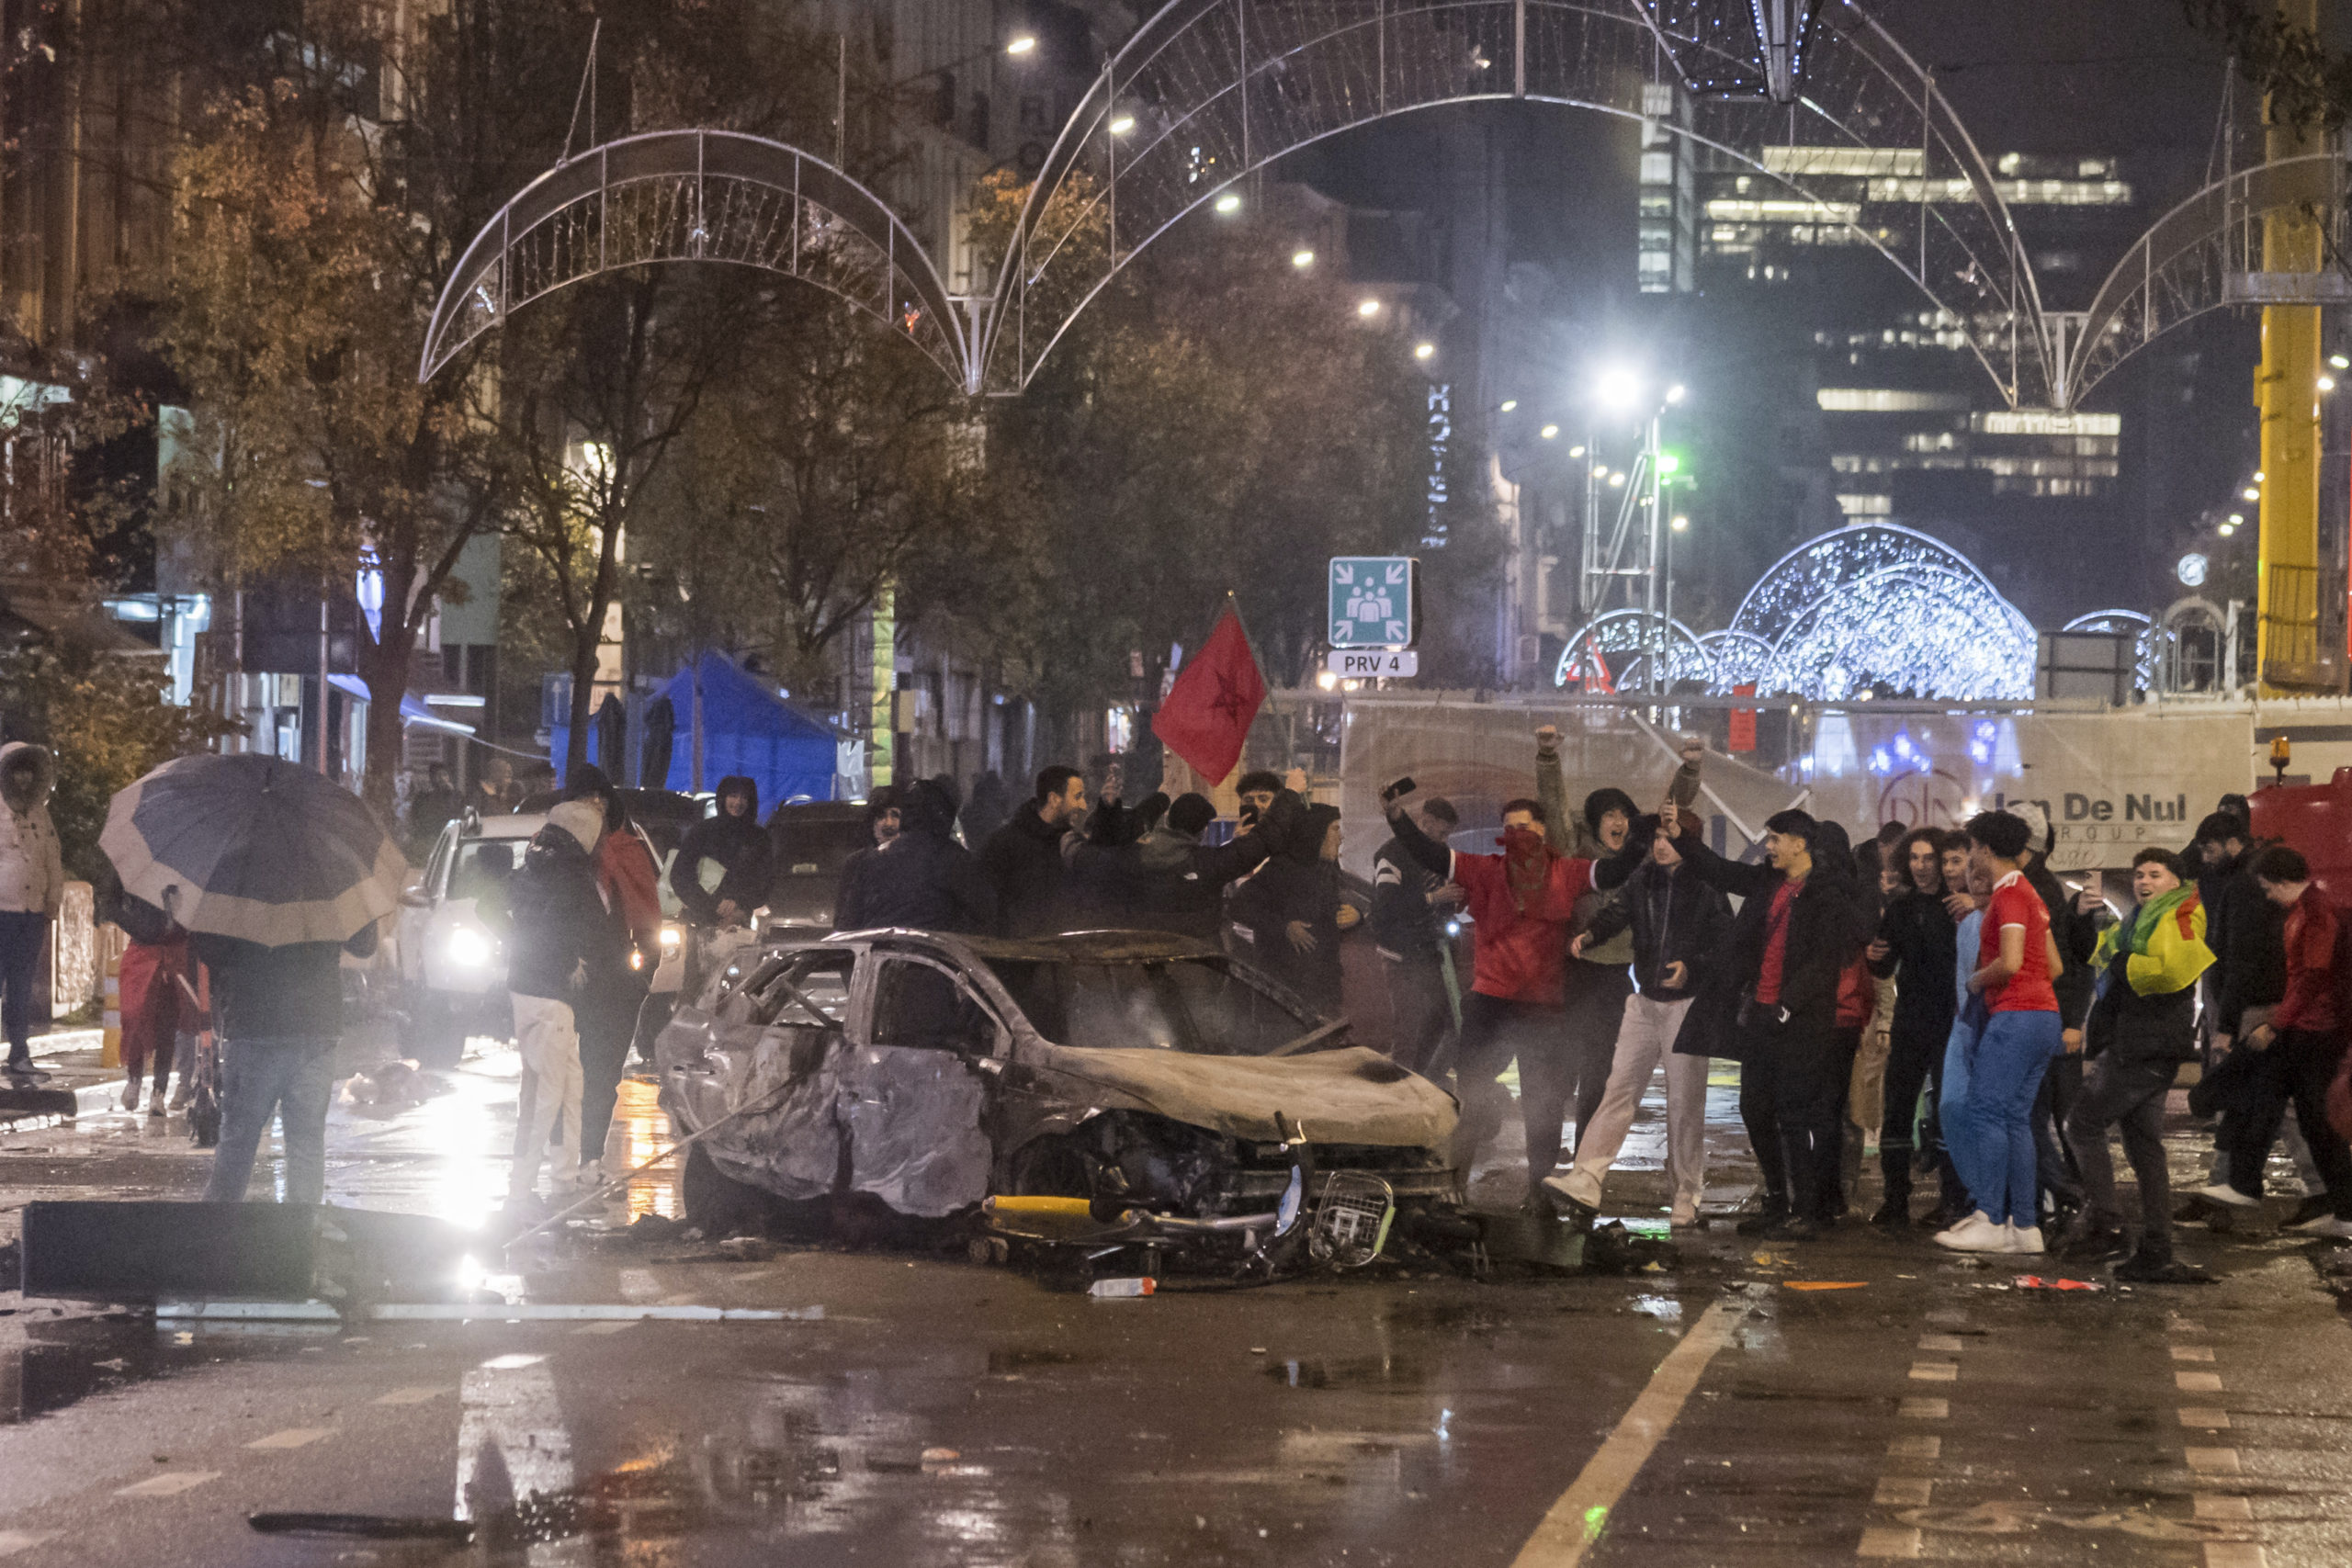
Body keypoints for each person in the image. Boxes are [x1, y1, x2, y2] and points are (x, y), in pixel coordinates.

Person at [1380, 767, 1645, 1197]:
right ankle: (1454, 1188)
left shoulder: (1565, 872)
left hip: (1543, 1009)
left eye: (1524, 827)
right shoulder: (1485, 870)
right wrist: (1396, 817)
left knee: (1543, 1107)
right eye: (1509, 829)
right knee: (1471, 1098)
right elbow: (1430, 855)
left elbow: (1614, 874)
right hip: (1490, 1004)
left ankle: (1539, 1194)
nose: (1516, 835)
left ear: (1541, 830)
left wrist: (1643, 839)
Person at [1662, 805, 1872, 1240]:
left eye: (1775, 839)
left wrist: (1788, 1005)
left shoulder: (1827, 893)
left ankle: (1806, 1210)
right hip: (1760, 1015)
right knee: (1754, 1108)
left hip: (1801, 1021)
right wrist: (1681, 836)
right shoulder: (1767, 882)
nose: (1768, 847)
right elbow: (1719, 871)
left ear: (1800, 843)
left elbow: (1822, 962)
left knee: (1795, 1113)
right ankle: (1777, 1200)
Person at [1551, 811, 1732, 1224]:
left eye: (1670, 837)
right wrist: (1590, 934)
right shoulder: (1643, 878)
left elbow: (1726, 942)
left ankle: (1686, 1194)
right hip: (1645, 1002)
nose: (1660, 845)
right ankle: (1586, 1177)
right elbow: (1617, 912)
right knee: (1618, 1091)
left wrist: (1692, 967)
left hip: (1686, 1007)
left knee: (1684, 1104)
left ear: (1689, 841)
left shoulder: (1708, 885)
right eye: (1656, 837)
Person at [2060, 847, 2213, 1279]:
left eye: (2154, 874)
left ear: (2176, 881)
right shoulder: (2141, 919)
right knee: (2145, 1147)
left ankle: (2107, 1224)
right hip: (2142, 1042)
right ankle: (2157, 1250)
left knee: (2082, 1124)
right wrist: (2082, 918)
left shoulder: (2180, 915)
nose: (2144, 881)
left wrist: (2123, 962)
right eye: (2139, 874)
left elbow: (2170, 973)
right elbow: (2097, 954)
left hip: (2145, 1045)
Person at [2193, 845, 2352, 1234]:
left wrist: (2276, 1023)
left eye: (2266, 887)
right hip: (2310, 1028)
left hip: (2314, 1031)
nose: (2266, 895)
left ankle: (2247, 1184)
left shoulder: (2315, 913)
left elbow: (2312, 976)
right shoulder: (2309, 909)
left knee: (2285, 1105)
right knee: (2298, 1113)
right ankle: (2252, 1185)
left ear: (2281, 881)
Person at [1936, 811, 2068, 1256]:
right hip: (2043, 1016)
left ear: (1987, 848)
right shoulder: (2031, 894)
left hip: (2016, 1017)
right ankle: (2024, 1226)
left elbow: (2010, 962)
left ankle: (1992, 1217)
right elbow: (2053, 966)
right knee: (2014, 1118)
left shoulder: (2009, 895)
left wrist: (1977, 980)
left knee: (1985, 1111)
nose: (1970, 856)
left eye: (1972, 848)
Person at [196, 916, 379, 1204]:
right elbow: (364, 944)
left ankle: (217, 1226)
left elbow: (209, 947)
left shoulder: (243, 889)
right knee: (306, 1143)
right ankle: (301, 1228)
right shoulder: (329, 889)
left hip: (255, 1021)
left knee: (238, 1142)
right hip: (315, 1025)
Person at [505, 801, 618, 1212]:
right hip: (551, 994)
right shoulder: (571, 875)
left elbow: (501, 911)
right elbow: (591, 929)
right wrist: (572, 961)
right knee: (546, 1097)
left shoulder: (531, 866)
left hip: (529, 988)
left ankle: (564, 1180)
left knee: (568, 1087)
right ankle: (521, 1190)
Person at [562, 766, 662, 1183]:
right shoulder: (556, 853)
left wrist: (642, 976)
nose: (593, 806)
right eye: (584, 798)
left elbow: (649, 918)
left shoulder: (629, 848)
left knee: (603, 1074)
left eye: (598, 797)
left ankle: (590, 1158)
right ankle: (562, 1156)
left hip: (617, 981)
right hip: (566, 979)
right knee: (564, 1073)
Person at [1869, 828, 1965, 1226]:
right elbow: (1883, 966)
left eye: (1929, 858)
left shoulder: (1957, 906)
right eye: (1914, 858)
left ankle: (1953, 1199)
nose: (1922, 866)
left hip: (1950, 1021)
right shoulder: (1901, 909)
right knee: (1897, 1111)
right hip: (1910, 1020)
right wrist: (1874, 956)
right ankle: (1895, 1199)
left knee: (1948, 1111)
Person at [1070, 792, 1275, 944]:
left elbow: (1089, 857)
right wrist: (1288, 796)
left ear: (1168, 820)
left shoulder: (1131, 856)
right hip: (1200, 965)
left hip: (1143, 961)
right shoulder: (1207, 863)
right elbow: (1256, 847)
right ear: (1202, 830)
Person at [1228, 802, 1352, 1013]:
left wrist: (1357, 915)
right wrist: (1284, 927)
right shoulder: (1282, 867)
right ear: (1316, 833)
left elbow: (1337, 906)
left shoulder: (1328, 868)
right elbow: (1238, 906)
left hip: (1323, 986)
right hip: (1284, 992)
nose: (1341, 837)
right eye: (1335, 829)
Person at [1373, 796, 1463, 1076]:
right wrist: (1432, 898)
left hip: (1433, 951)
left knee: (1449, 1018)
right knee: (1408, 1024)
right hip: (1401, 953)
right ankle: (1401, 1084)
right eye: (1442, 832)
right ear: (1426, 821)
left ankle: (1425, 1079)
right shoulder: (1391, 854)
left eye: (1448, 834)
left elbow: (1445, 903)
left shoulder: (1441, 855)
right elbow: (1385, 907)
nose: (1444, 839)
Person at [854, 778, 999, 935]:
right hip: (935, 949)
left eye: (895, 815)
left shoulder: (874, 860)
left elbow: (849, 924)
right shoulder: (953, 859)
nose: (888, 824)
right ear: (944, 815)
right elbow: (987, 914)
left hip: (878, 948)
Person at [98, 867, 188, 1114]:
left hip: (173, 959)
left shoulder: (184, 878)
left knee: (167, 1027)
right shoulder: (139, 873)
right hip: (142, 959)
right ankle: (134, 1080)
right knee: (136, 1020)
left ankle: (158, 1093)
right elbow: (114, 904)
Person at [0, 743, 61, 1080]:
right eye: (16, 771)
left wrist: (53, 898)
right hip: (2, 911)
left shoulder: (40, 813)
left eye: (27, 772)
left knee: (21, 985)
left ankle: (19, 1054)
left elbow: (52, 857)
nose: (23, 778)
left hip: (31, 913)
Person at [979, 765, 1088, 936]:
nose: (1084, 805)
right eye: (1077, 797)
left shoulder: (1071, 845)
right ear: (1054, 799)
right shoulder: (1004, 844)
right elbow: (985, 905)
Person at [673, 776, 774, 931]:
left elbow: (765, 878)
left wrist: (739, 901)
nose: (738, 802)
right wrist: (710, 904)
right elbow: (681, 874)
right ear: (722, 798)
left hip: (739, 920)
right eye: (733, 796)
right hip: (700, 920)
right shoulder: (703, 832)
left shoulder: (758, 837)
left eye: (744, 797)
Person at [833, 786, 902, 932]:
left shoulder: (917, 862)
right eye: (881, 817)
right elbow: (844, 920)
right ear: (872, 823)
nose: (888, 824)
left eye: (895, 816)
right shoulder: (856, 863)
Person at [405, 763, 461, 859]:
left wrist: (451, 795)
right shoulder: (423, 797)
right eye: (438, 775)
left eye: (445, 775)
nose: (442, 779)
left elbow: (458, 815)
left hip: (449, 840)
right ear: (432, 778)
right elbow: (415, 818)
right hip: (427, 840)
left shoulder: (456, 795)